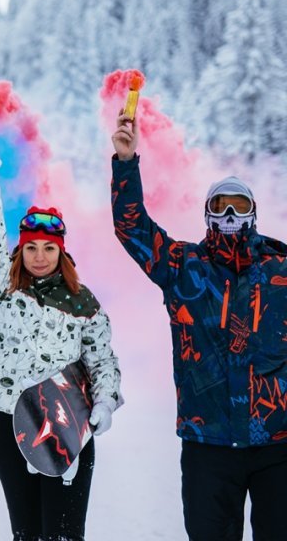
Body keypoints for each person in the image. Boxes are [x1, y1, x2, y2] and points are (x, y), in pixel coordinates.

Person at [111, 113, 287, 540]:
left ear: (253, 213)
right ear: (207, 214)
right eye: (221, 204)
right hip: (207, 442)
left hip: (277, 444)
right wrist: (125, 162)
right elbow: (132, 228)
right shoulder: (183, 267)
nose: (230, 213)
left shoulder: (281, 269)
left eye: (239, 205)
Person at [0, 123, 122, 541]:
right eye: (32, 247)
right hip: (9, 423)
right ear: (21, 248)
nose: (39, 256)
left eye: (49, 248)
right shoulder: (6, 287)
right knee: (26, 534)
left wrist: (106, 401)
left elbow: (102, 359)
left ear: (62, 251)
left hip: (67, 427)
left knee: (64, 535)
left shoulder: (82, 302)